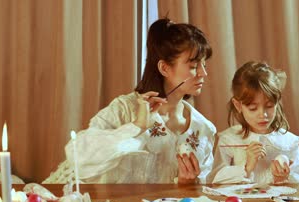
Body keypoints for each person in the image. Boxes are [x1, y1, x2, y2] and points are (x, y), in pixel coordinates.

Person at [50, 18, 216, 184]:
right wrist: (137, 126)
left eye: (204, 65)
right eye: (194, 66)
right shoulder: (125, 110)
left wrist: (187, 184)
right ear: (164, 68)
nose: (203, 73)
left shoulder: (203, 129)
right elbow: (77, 154)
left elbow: (200, 191)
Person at [207, 61, 299, 185]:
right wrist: (247, 167)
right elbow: (214, 181)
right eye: (253, 108)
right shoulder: (229, 140)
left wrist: (284, 177)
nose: (263, 115)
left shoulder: (288, 142)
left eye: (269, 106)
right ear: (238, 105)